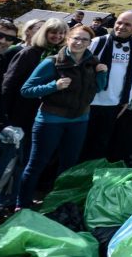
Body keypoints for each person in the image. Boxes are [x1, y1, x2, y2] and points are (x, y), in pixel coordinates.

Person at [16, 26, 106, 208]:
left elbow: (98, 88)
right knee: (36, 164)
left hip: (80, 120)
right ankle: (21, 204)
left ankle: (56, 202)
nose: (79, 43)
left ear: (90, 43)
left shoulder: (92, 62)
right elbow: (26, 91)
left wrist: (102, 73)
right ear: (68, 39)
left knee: (69, 165)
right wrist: (53, 86)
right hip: (50, 120)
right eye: (76, 38)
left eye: (85, 40)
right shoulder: (52, 62)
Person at [1, 18, 68, 151]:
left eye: (62, 33)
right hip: (19, 107)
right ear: (44, 32)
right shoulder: (29, 53)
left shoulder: (61, 56)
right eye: (53, 32)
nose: (58, 36)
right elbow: (9, 82)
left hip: (42, 110)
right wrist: (3, 112)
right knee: (9, 147)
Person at [82, 11, 132, 162]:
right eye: (119, 22)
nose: (121, 27)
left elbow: (131, 73)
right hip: (90, 101)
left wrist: (126, 99)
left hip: (113, 103)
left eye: (127, 24)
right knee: (82, 142)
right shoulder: (98, 42)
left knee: (101, 144)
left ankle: (89, 177)